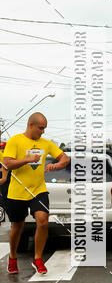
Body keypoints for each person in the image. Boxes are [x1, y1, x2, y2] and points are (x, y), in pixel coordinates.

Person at [2, 113, 69, 274]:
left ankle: (38, 258)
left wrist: (57, 165)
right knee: (17, 227)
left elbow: (65, 158)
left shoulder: (46, 144)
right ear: (31, 125)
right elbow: (7, 163)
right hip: (17, 192)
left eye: (44, 128)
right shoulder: (15, 141)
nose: (43, 131)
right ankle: (12, 257)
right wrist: (28, 159)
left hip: (38, 190)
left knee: (43, 220)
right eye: (41, 128)